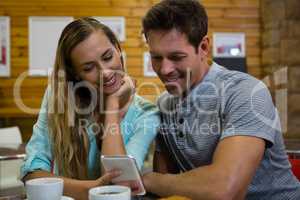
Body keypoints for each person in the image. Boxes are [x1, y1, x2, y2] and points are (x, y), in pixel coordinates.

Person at [141, 0, 300, 199]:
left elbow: (225, 189)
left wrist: (148, 179)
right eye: (156, 57)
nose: (164, 69)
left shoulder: (246, 92)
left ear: (204, 47)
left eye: (176, 57)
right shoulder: (165, 104)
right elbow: (166, 184)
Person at [21, 17, 160, 200]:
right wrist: (92, 189)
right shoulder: (58, 97)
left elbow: (120, 186)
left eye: (108, 57)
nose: (106, 73)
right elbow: (32, 173)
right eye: (88, 68)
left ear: (118, 50)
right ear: (76, 75)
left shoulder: (146, 113)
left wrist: (112, 106)